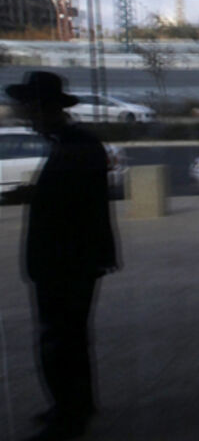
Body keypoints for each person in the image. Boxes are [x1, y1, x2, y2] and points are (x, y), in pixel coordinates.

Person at [1, 71, 118, 441]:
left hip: (66, 266)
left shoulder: (75, 147)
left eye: (26, 107)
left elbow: (77, 211)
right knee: (68, 339)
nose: (22, 114)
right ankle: (73, 406)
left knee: (60, 341)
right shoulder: (72, 144)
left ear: (41, 108)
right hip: (70, 264)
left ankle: (69, 415)